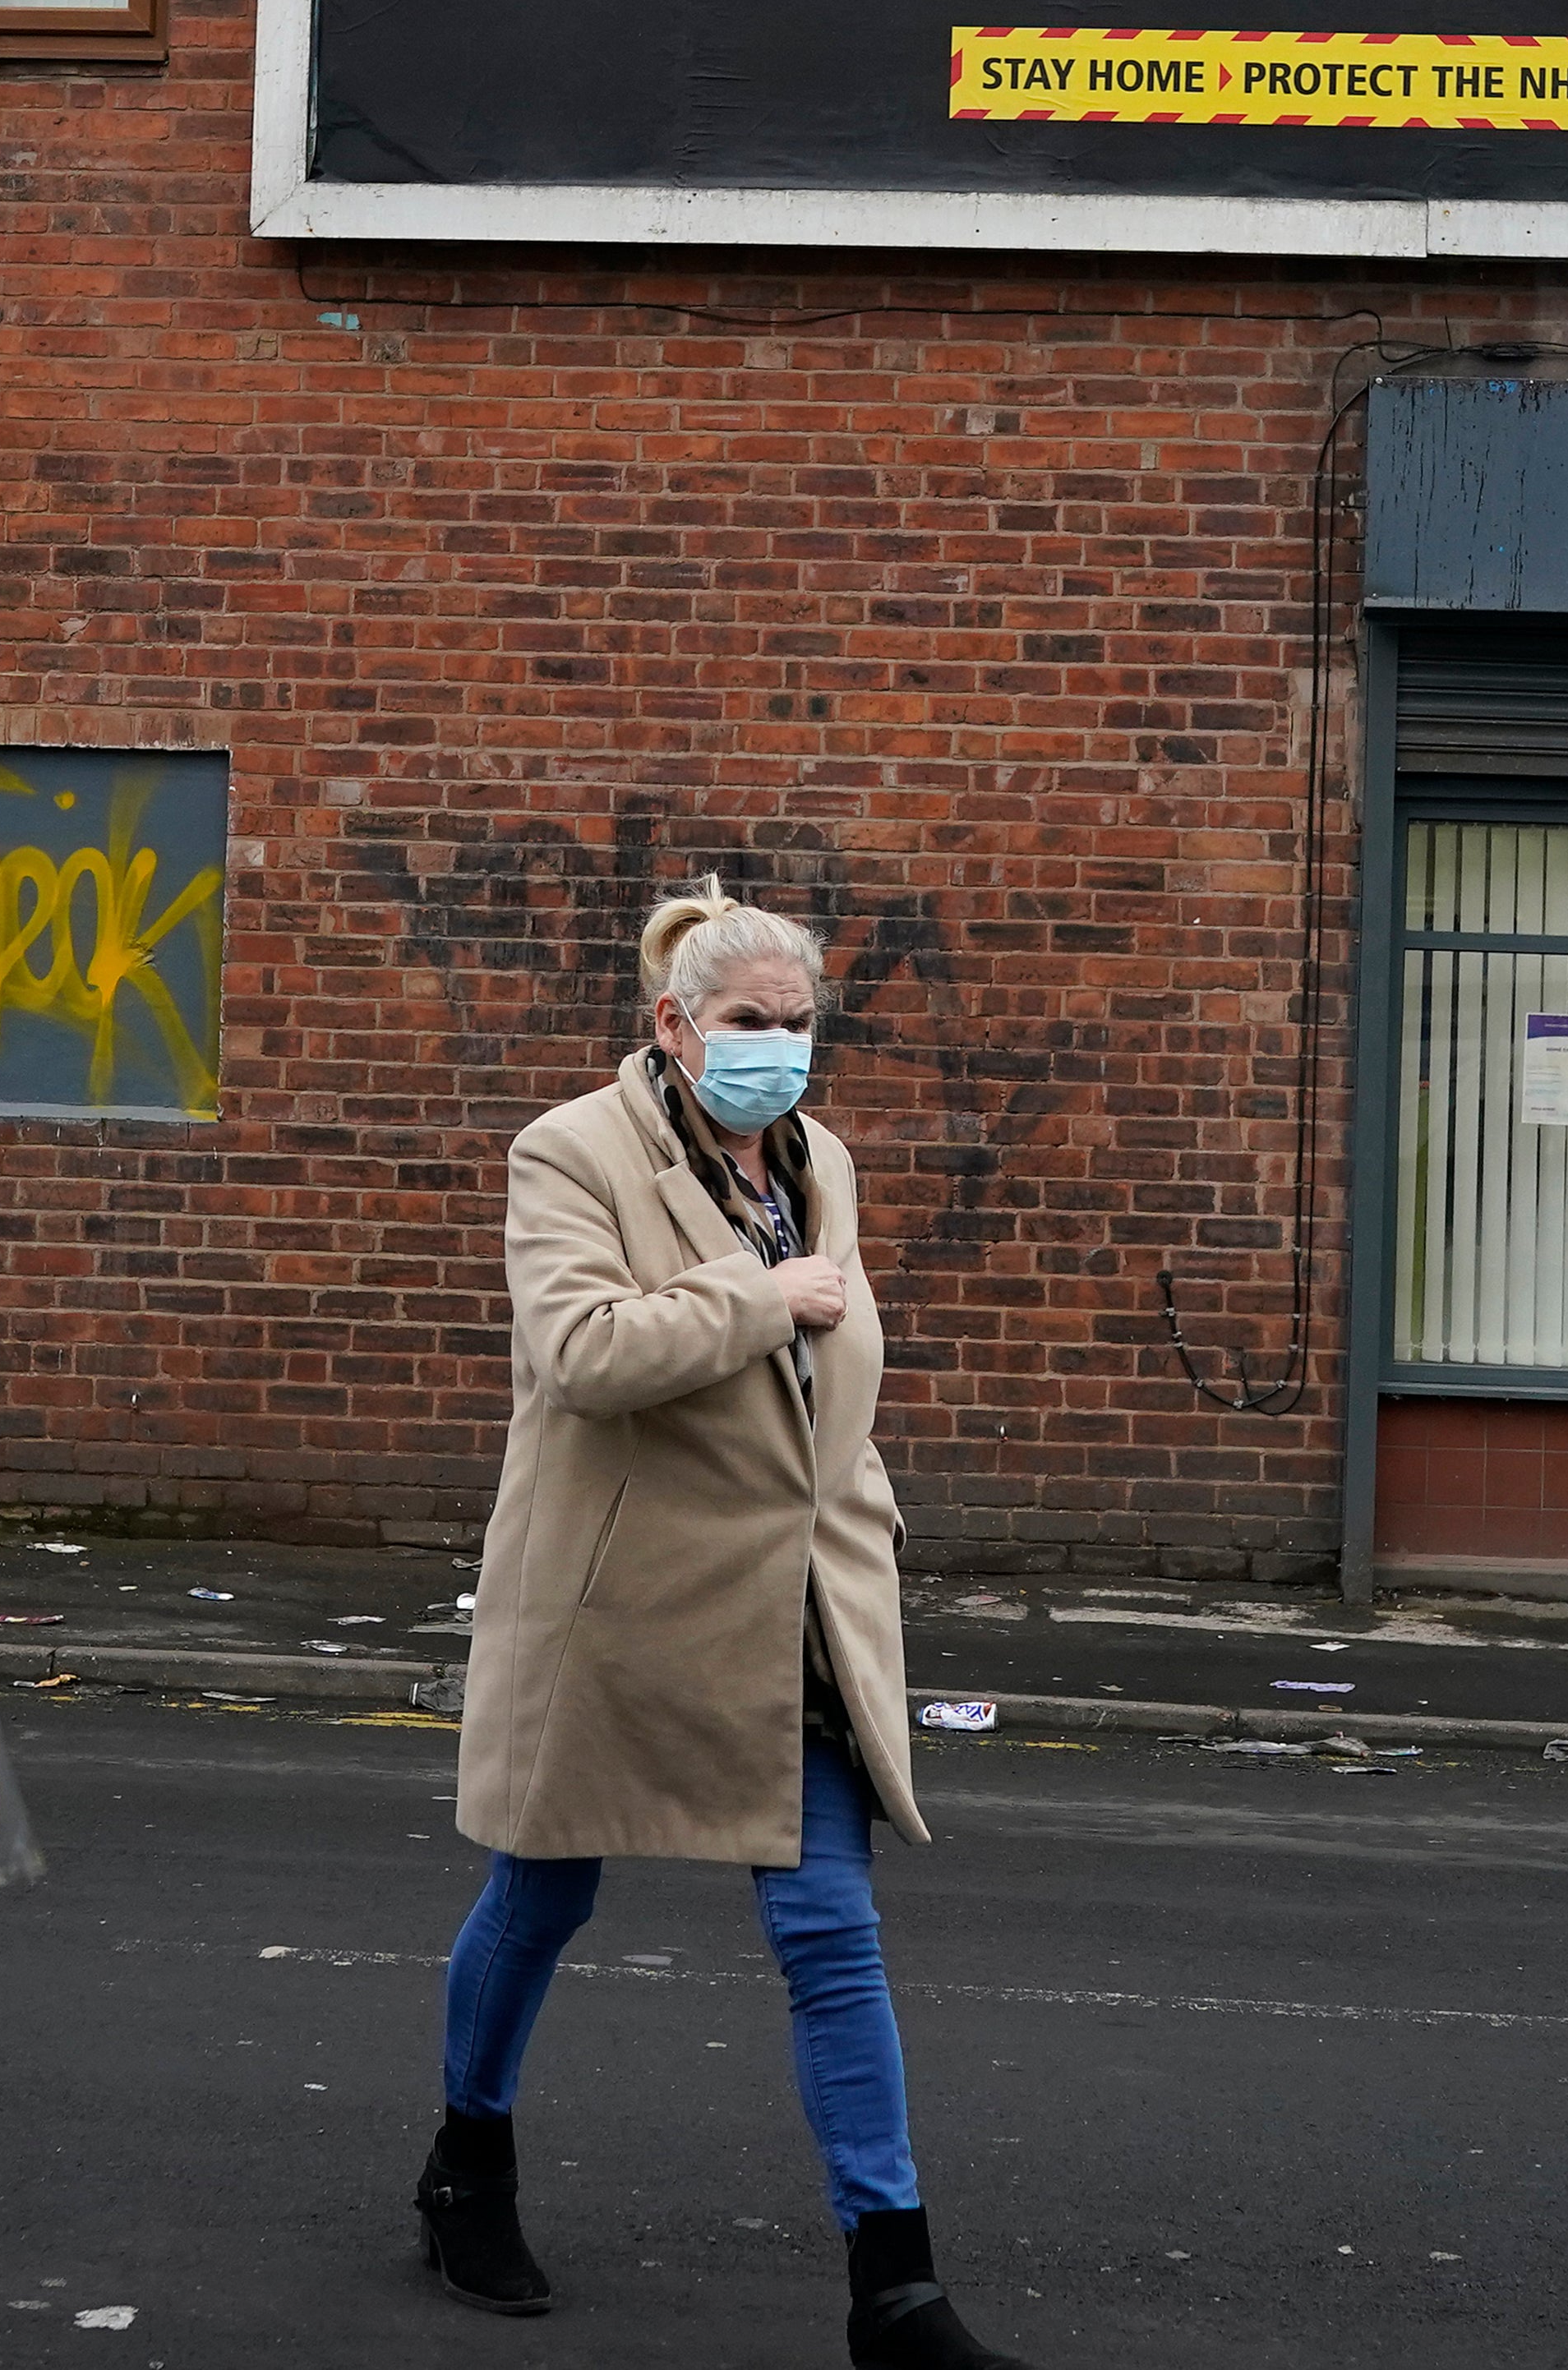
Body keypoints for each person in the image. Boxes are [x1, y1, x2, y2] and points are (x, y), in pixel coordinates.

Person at [412, 880, 1034, 2369]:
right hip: (617, 1607)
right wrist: (759, 1293)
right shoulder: (568, 1151)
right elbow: (580, 1352)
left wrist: (857, 1507)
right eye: (746, 1020)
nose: (775, 1046)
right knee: (543, 1894)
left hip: (790, 1610)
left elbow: (837, 1369)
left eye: (797, 1021)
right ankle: (465, 2163)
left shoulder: (818, 1160)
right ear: (671, 1024)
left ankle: (894, 2288)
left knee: (829, 1931)